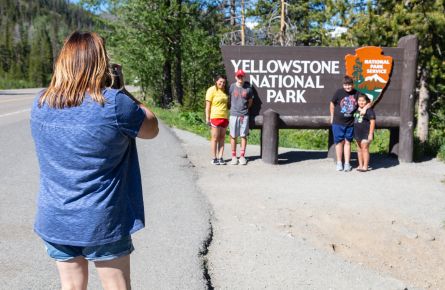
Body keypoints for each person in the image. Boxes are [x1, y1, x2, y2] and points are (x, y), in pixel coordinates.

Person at [30, 31, 159, 290]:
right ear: (100, 62)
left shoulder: (41, 103)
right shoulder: (115, 103)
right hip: (103, 218)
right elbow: (151, 127)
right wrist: (123, 91)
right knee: (116, 286)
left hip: (56, 215)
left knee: (72, 286)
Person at [330, 75, 368, 172]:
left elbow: (369, 101)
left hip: (350, 123)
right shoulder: (338, 92)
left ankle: (347, 163)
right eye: (346, 85)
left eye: (350, 85)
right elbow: (332, 103)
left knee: (347, 142)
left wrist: (365, 108)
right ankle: (339, 163)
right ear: (343, 85)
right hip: (338, 122)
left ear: (352, 85)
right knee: (339, 142)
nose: (348, 87)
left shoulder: (357, 93)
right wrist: (331, 116)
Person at [229, 69, 253, 165]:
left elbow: (250, 101)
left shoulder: (248, 88)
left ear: (244, 77)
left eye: (242, 76)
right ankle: (234, 156)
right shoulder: (232, 87)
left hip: (244, 115)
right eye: (238, 76)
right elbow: (228, 99)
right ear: (236, 77)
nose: (240, 78)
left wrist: (246, 109)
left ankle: (242, 156)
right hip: (234, 114)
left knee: (243, 135)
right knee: (233, 136)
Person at [205, 75, 229, 165]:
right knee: (215, 138)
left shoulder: (225, 91)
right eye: (220, 81)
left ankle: (220, 157)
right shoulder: (211, 90)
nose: (222, 83)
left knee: (222, 138)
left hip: (224, 117)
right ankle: (214, 158)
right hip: (215, 117)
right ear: (216, 81)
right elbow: (208, 106)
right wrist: (207, 118)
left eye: (223, 82)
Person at [354, 94, 376, 172]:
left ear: (366, 101)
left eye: (363, 101)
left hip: (366, 133)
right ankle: (360, 165)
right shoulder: (357, 109)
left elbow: (372, 122)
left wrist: (370, 133)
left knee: (365, 149)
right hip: (357, 132)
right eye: (359, 100)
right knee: (359, 149)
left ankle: (365, 166)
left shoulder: (369, 110)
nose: (361, 102)